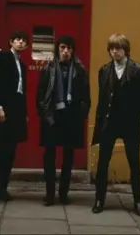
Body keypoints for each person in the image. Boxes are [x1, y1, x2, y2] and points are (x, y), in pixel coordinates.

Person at [91, 33, 140, 216]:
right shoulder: (104, 70)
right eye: (112, 48)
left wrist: (139, 117)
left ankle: (138, 201)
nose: (115, 51)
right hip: (109, 122)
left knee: (134, 163)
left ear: (126, 49)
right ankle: (99, 200)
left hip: (130, 123)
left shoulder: (139, 70)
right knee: (102, 164)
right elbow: (102, 100)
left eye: (118, 48)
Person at [36, 35, 91, 206]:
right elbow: (41, 95)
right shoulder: (48, 68)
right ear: (57, 49)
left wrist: (80, 115)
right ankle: (50, 194)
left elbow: (85, 96)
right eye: (62, 48)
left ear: (72, 50)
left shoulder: (80, 69)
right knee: (49, 157)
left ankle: (64, 194)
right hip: (52, 117)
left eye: (69, 48)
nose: (65, 52)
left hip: (71, 117)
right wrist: (45, 114)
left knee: (68, 158)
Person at [0, 30, 29, 207]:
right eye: (17, 39)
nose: (20, 43)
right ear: (11, 41)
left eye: (23, 41)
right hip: (2, 109)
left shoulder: (22, 65)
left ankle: (3, 188)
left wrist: (24, 114)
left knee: (10, 151)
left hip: (16, 111)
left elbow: (22, 91)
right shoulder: (2, 57)